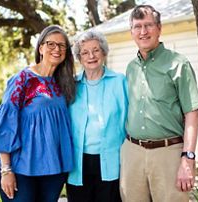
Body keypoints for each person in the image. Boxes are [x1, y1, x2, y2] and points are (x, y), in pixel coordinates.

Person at [119, 5, 198, 202]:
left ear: (159, 28)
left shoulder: (178, 64)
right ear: (131, 32)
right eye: (137, 26)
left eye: (148, 25)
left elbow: (192, 114)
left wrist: (188, 158)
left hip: (168, 153)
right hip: (133, 152)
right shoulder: (131, 68)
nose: (143, 31)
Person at [0, 25, 76, 202]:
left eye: (62, 45)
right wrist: (6, 169)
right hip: (20, 168)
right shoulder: (22, 79)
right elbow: (5, 124)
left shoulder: (64, 84)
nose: (56, 49)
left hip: (53, 169)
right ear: (40, 48)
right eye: (51, 44)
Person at [66, 30, 128, 202]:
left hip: (111, 161)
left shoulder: (119, 81)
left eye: (96, 50)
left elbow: (129, 120)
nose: (91, 56)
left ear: (104, 52)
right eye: (85, 52)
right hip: (78, 163)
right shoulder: (71, 85)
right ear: (79, 58)